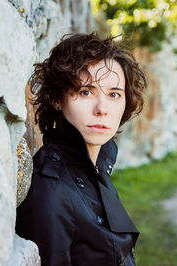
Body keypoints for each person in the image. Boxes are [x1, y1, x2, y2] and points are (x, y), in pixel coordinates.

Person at [15, 32, 147, 266]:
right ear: (57, 98)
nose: (102, 108)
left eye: (114, 94)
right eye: (86, 92)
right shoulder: (52, 191)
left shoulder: (98, 164)